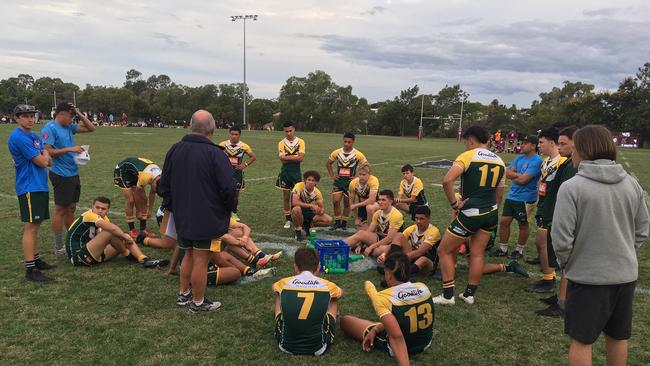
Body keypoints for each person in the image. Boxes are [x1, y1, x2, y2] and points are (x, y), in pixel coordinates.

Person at [551, 125, 649, 366]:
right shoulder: (631, 184)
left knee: (581, 340)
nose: (571, 153)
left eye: (574, 148)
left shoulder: (572, 187)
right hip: (625, 276)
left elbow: (561, 238)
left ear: (583, 150)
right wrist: (625, 254)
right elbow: (642, 228)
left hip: (588, 279)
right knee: (617, 335)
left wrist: (570, 264)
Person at [158, 110, 237, 313]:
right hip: (207, 216)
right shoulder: (215, 153)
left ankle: (184, 294)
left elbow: (163, 184)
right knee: (201, 259)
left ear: (191, 126)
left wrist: (173, 204)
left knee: (189, 255)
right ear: (212, 128)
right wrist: (229, 208)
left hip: (182, 215)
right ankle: (198, 301)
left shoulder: (175, 149)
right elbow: (228, 187)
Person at [434, 126, 505, 305]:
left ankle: (448, 296)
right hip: (491, 213)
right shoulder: (500, 161)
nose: (466, 145)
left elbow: (447, 180)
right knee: (477, 253)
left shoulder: (467, 156)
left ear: (471, 140)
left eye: (466, 141)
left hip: (471, 213)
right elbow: (499, 193)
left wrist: (454, 204)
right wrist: (494, 208)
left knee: (443, 250)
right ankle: (469, 294)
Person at [341, 252, 433, 365]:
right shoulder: (423, 287)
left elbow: (397, 337)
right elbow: (405, 318)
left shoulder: (383, 298)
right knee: (390, 320)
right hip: (425, 343)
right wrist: (375, 330)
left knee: (346, 321)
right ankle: (376, 327)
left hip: (402, 347)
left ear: (388, 274)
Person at [530, 126, 578, 317]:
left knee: (567, 260)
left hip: (559, 216)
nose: (560, 147)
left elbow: (564, 194)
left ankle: (563, 300)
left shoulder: (569, 165)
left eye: (563, 143)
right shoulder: (560, 163)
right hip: (551, 211)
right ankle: (561, 295)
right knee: (558, 255)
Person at [8, 104, 56, 282]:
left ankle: (35, 260)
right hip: (29, 187)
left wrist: (44, 154)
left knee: (36, 224)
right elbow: (43, 162)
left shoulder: (34, 136)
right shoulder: (18, 136)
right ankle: (30, 269)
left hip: (40, 185)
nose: (30, 119)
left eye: (32, 115)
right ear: (16, 118)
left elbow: (48, 158)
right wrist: (44, 154)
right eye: (26, 116)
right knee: (31, 226)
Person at [41, 101, 96, 255]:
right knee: (60, 209)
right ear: (62, 114)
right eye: (71, 116)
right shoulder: (50, 128)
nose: (73, 120)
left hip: (73, 173)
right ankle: (58, 246)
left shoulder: (68, 126)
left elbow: (92, 128)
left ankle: (72, 238)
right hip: (60, 174)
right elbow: (47, 151)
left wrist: (78, 113)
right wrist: (70, 149)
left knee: (71, 208)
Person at [272, 247, 343, 356]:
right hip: (318, 347)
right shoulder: (328, 285)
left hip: (286, 346)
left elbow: (274, 287)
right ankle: (328, 319)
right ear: (318, 267)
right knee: (334, 299)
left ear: (296, 267)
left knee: (278, 294)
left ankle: (283, 320)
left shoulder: (284, 282)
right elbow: (341, 292)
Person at [66, 197, 167, 268]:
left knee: (121, 236)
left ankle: (144, 259)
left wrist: (124, 237)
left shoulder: (104, 218)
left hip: (94, 254)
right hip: (78, 257)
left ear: (107, 210)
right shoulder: (89, 215)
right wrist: (124, 236)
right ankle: (128, 254)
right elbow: (112, 230)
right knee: (112, 232)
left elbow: (110, 237)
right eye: (97, 207)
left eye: (103, 209)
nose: (100, 210)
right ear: (92, 207)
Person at [491, 135, 542, 260]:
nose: (522, 145)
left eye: (525, 143)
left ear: (533, 146)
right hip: (512, 196)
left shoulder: (537, 160)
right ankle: (503, 249)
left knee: (523, 224)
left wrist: (516, 176)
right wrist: (518, 176)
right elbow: (506, 172)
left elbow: (524, 180)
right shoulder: (520, 158)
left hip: (526, 198)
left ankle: (519, 250)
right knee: (504, 222)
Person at [527, 128, 565, 267]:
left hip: (553, 206)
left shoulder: (562, 162)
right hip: (543, 203)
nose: (539, 145)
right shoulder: (546, 161)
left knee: (545, 239)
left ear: (552, 142)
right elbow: (541, 182)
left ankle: (551, 265)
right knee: (542, 238)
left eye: (541, 142)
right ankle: (543, 257)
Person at [378, 205, 440, 276]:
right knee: (399, 235)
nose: (418, 221)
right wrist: (384, 254)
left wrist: (399, 259)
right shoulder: (412, 228)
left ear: (429, 219)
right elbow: (395, 241)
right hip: (412, 258)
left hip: (428, 265)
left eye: (422, 219)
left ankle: (396, 272)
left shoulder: (434, 231)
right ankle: (393, 267)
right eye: (416, 218)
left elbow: (420, 252)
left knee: (423, 259)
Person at [344, 190, 404, 259]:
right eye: (379, 199)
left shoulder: (396, 215)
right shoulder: (378, 213)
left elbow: (389, 239)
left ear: (391, 201)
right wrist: (361, 245)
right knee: (361, 233)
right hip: (379, 238)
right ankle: (337, 248)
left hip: (392, 244)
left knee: (378, 251)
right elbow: (369, 231)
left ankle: (371, 250)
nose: (380, 202)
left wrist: (371, 246)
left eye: (383, 200)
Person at [325, 132, 368, 230]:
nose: (346, 144)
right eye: (345, 142)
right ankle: (337, 222)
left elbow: (366, 166)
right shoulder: (336, 152)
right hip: (339, 181)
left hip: (350, 183)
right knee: (335, 201)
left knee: (347, 203)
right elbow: (328, 164)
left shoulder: (357, 154)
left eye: (349, 142)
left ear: (353, 142)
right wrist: (332, 175)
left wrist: (357, 177)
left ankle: (344, 223)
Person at [113, 157, 162, 238]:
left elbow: (152, 193)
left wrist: (150, 210)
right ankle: (132, 229)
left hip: (135, 173)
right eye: (154, 188)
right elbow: (137, 193)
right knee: (131, 200)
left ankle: (143, 229)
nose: (153, 190)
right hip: (122, 172)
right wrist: (138, 211)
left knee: (144, 199)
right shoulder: (145, 177)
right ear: (155, 183)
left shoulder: (162, 177)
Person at [218, 126, 256, 221]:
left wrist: (244, 164)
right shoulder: (222, 145)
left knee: (235, 194)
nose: (234, 136)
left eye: (236, 134)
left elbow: (253, 157)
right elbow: (217, 157)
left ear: (239, 135)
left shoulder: (244, 146)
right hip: (225, 173)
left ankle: (234, 213)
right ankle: (223, 212)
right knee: (222, 192)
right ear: (229, 134)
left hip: (237, 173)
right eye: (232, 134)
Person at [276, 121, 306, 229]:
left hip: (296, 173)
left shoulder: (301, 142)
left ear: (294, 129)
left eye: (290, 131)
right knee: (286, 197)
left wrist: (287, 157)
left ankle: (295, 217)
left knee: (296, 197)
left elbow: (301, 158)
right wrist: (294, 157)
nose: (288, 133)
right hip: (285, 172)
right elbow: (282, 160)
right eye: (286, 131)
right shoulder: (281, 143)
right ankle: (287, 219)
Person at [290, 171, 333, 241]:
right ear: (305, 180)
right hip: (298, 210)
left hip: (308, 211)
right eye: (308, 180)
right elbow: (294, 202)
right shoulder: (299, 186)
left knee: (328, 220)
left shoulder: (317, 192)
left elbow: (322, 208)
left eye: (313, 180)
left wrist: (320, 211)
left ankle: (308, 226)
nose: (310, 182)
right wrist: (311, 206)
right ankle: (298, 230)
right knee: (296, 209)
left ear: (316, 182)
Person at [348, 165, 380, 230]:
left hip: (376, 204)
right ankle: (370, 227)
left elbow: (372, 200)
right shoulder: (353, 183)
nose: (361, 177)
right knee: (360, 230)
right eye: (360, 174)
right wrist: (356, 218)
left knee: (369, 208)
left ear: (369, 174)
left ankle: (373, 226)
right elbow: (351, 202)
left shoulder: (373, 180)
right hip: (362, 206)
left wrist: (356, 205)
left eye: (364, 174)